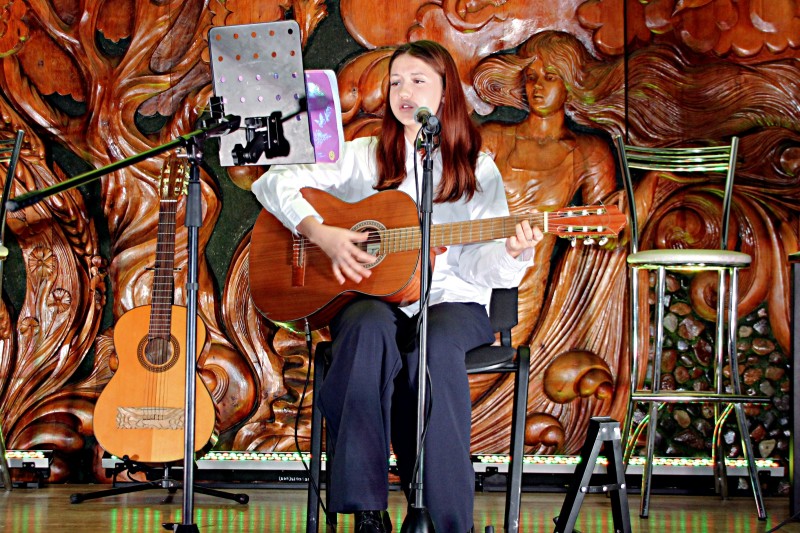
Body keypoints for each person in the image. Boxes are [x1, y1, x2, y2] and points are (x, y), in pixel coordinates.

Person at [251, 40, 542, 533]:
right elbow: (274, 182)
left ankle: (446, 520)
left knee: (433, 347)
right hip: (373, 297)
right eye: (396, 83)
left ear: (446, 92)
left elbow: (479, 269)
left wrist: (512, 252)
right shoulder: (366, 156)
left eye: (418, 81)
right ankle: (367, 511)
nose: (404, 92)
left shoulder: (476, 168)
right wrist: (321, 233)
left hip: (453, 301)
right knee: (365, 330)